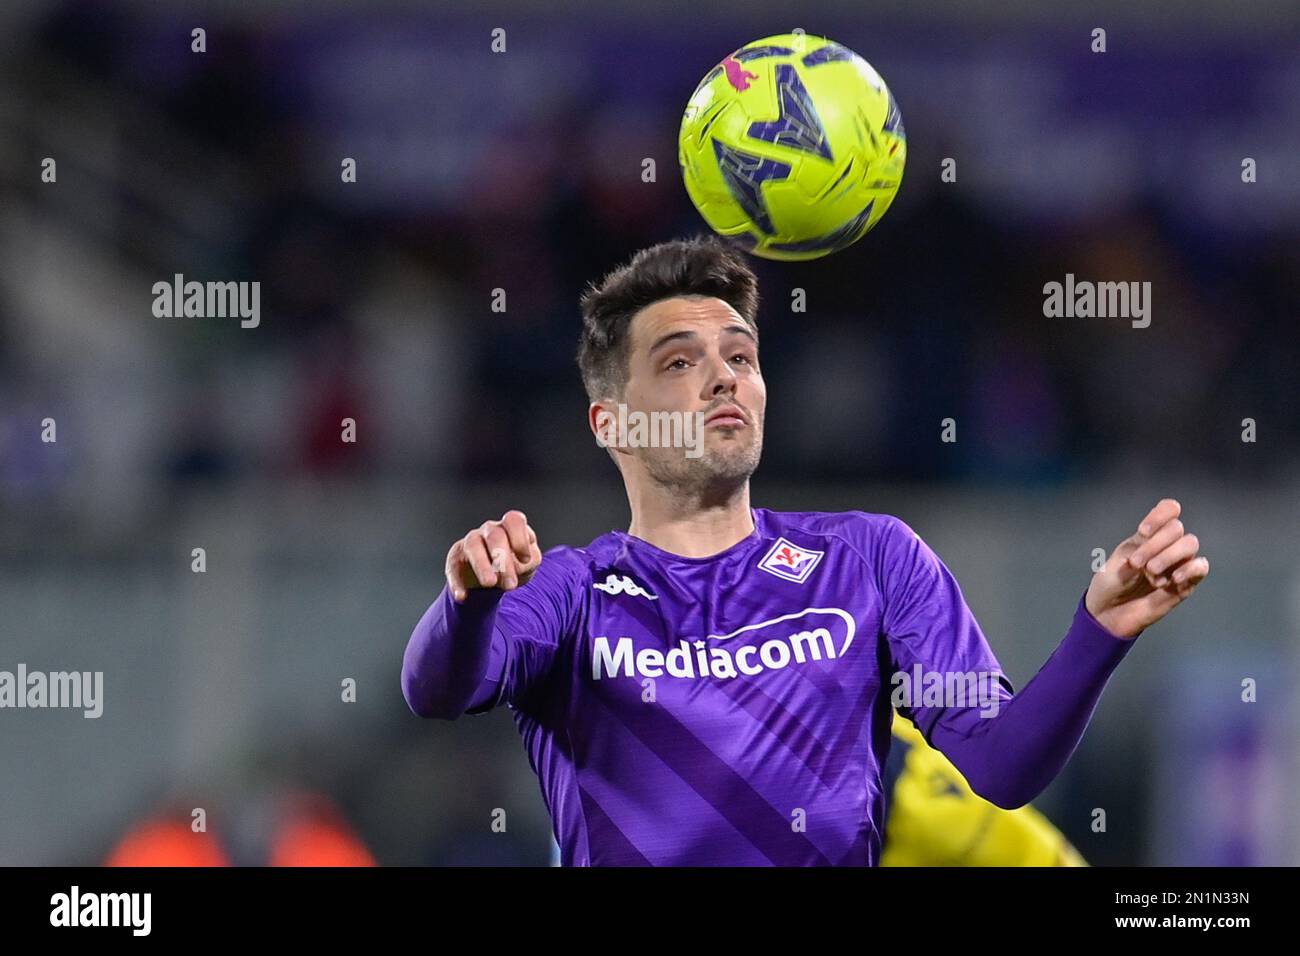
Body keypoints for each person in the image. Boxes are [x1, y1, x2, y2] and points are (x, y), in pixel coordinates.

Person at [401, 235, 1209, 866]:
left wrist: (1098, 634)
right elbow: (437, 688)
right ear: (611, 421)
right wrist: (468, 604)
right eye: (680, 361)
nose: (724, 378)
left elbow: (999, 767)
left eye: (741, 357)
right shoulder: (574, 591)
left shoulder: (872, 559)